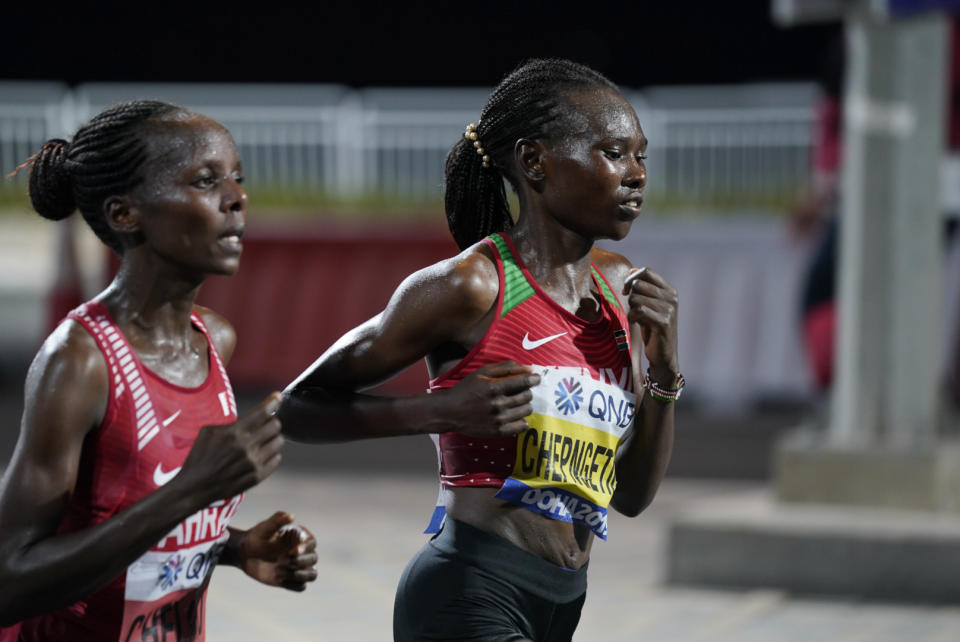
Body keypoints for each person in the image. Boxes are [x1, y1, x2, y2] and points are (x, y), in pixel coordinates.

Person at [280, 59, 680, 641]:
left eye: (642, 155)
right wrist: (438, 411)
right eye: (614, 153)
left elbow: (633, 496)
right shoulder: (471, 287)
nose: (637, 174)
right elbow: (295, 409)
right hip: (467, 592)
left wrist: (666, 372)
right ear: (535, 161)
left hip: (563, 602)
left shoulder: (620, 289)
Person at [0, 100, 318, 641]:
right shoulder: (80, 362)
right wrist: (190, 491)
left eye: (237, 179)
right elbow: (9, 581)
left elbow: (123, 525)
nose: (237, 199)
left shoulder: (215, 340)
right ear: (126, 213)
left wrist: (236, 548)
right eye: (205, 181)